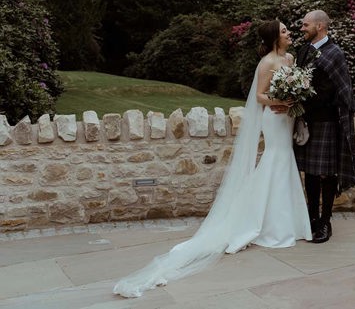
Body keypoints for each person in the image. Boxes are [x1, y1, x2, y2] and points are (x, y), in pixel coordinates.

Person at [113, 20, 312, 298]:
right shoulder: (266, 62)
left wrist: (294, 98)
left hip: (286, 118)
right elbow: (259, 95)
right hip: (275, 118)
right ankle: (267, 225)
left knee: (284, 160)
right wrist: (279, 102)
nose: (289, 33)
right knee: (274, 159)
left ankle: (289, 221)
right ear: (273, 38)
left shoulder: (289, 58)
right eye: (284, 31)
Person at [294, 10, 355, 244]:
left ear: (320, 26)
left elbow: (341, 91)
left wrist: (311, 98)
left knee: (327, 172)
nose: (302, 28)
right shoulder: (302, 51)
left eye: (305, 25)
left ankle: (326, 221)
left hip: (328, 120)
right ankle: (311, 218)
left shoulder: (335, 53)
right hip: (306, 119)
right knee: (310, 172)